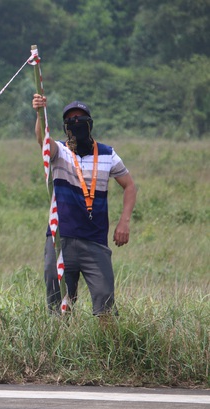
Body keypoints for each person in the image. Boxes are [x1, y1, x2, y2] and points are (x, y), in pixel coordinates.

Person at [32, 94, 137, 316]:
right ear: (65, 127)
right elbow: (43, 140)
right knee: (59, 307)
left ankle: (107, 348)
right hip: (61, 240)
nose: (76, 122)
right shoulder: (60, 152)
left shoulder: (108, 154)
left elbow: (130, 186)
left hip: (95, 240)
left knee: (105, 306)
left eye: (80, 118)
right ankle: (59, 347)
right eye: (71, 120)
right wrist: (40, 113)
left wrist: (124, 223)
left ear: (90, 123)